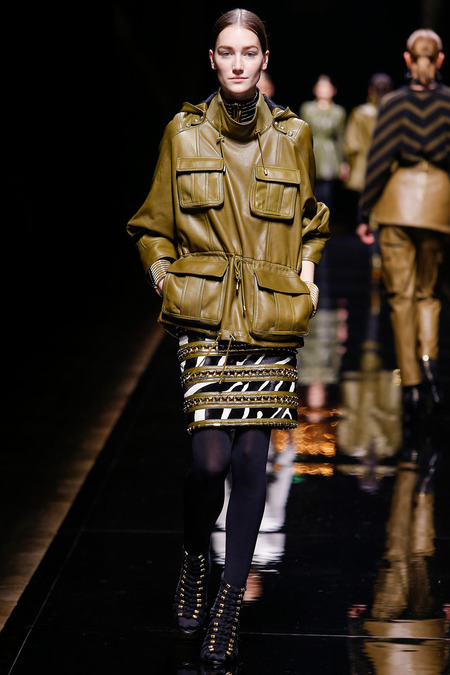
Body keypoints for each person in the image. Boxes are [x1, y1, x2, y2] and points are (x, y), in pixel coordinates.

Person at [126, 8, 330, 667]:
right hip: (205, 316)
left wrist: (306, 280)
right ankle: (194, 554)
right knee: (210, 462)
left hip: (269, 315)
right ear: (211, 60)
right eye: (226, 51)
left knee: (250, 463)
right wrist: (164, 276)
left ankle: (227, 607)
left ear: (265, 59)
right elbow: (151, 224)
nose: (238, 62)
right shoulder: (182, 133)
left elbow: (311, 219)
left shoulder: (294, 134)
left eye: (249, 51)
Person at [357, 29, 450, 451]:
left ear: (408, 60)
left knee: (401, 297)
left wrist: (365, 212)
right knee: (429, 294)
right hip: (439, 210)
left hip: (398, 208)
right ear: (440, 59)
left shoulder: (393, 103)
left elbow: (378, 159)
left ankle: (411, 384)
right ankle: (429, 362)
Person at [299, 74, 348, 211]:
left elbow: (341, 137)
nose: (324, 90)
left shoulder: (338, 112)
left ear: (333, 90)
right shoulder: (308, 108)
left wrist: (344, 162)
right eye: (321, 86)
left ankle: (324, 219)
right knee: (310, 190)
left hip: (330, 154)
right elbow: (301, 133)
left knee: (327, 194)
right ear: (315, 89)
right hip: (312, 149)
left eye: (327, 87)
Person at [344, 73, 394, 195]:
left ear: (370, 90)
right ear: (391, 91)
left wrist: (349, 164)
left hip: (363, 170)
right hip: (388, 170)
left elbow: (351, 144)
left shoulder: (359, 113)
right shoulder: (394, 113)